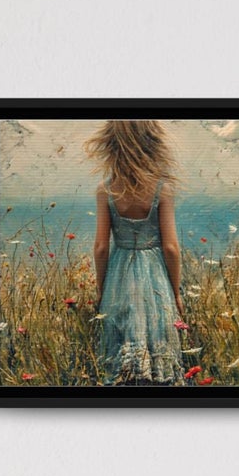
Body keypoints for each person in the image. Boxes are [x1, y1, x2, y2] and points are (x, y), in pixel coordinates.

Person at [85, 119, 184, 384]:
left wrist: (101, 288)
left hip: (119, 272)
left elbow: (101, 247)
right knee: (155, 332)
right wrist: (176, 293)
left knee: (123, 336)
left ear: (113, 145)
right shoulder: (163, 189)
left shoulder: (105, 189)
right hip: (155, 273)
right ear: (151, 143)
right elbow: (171, 248)